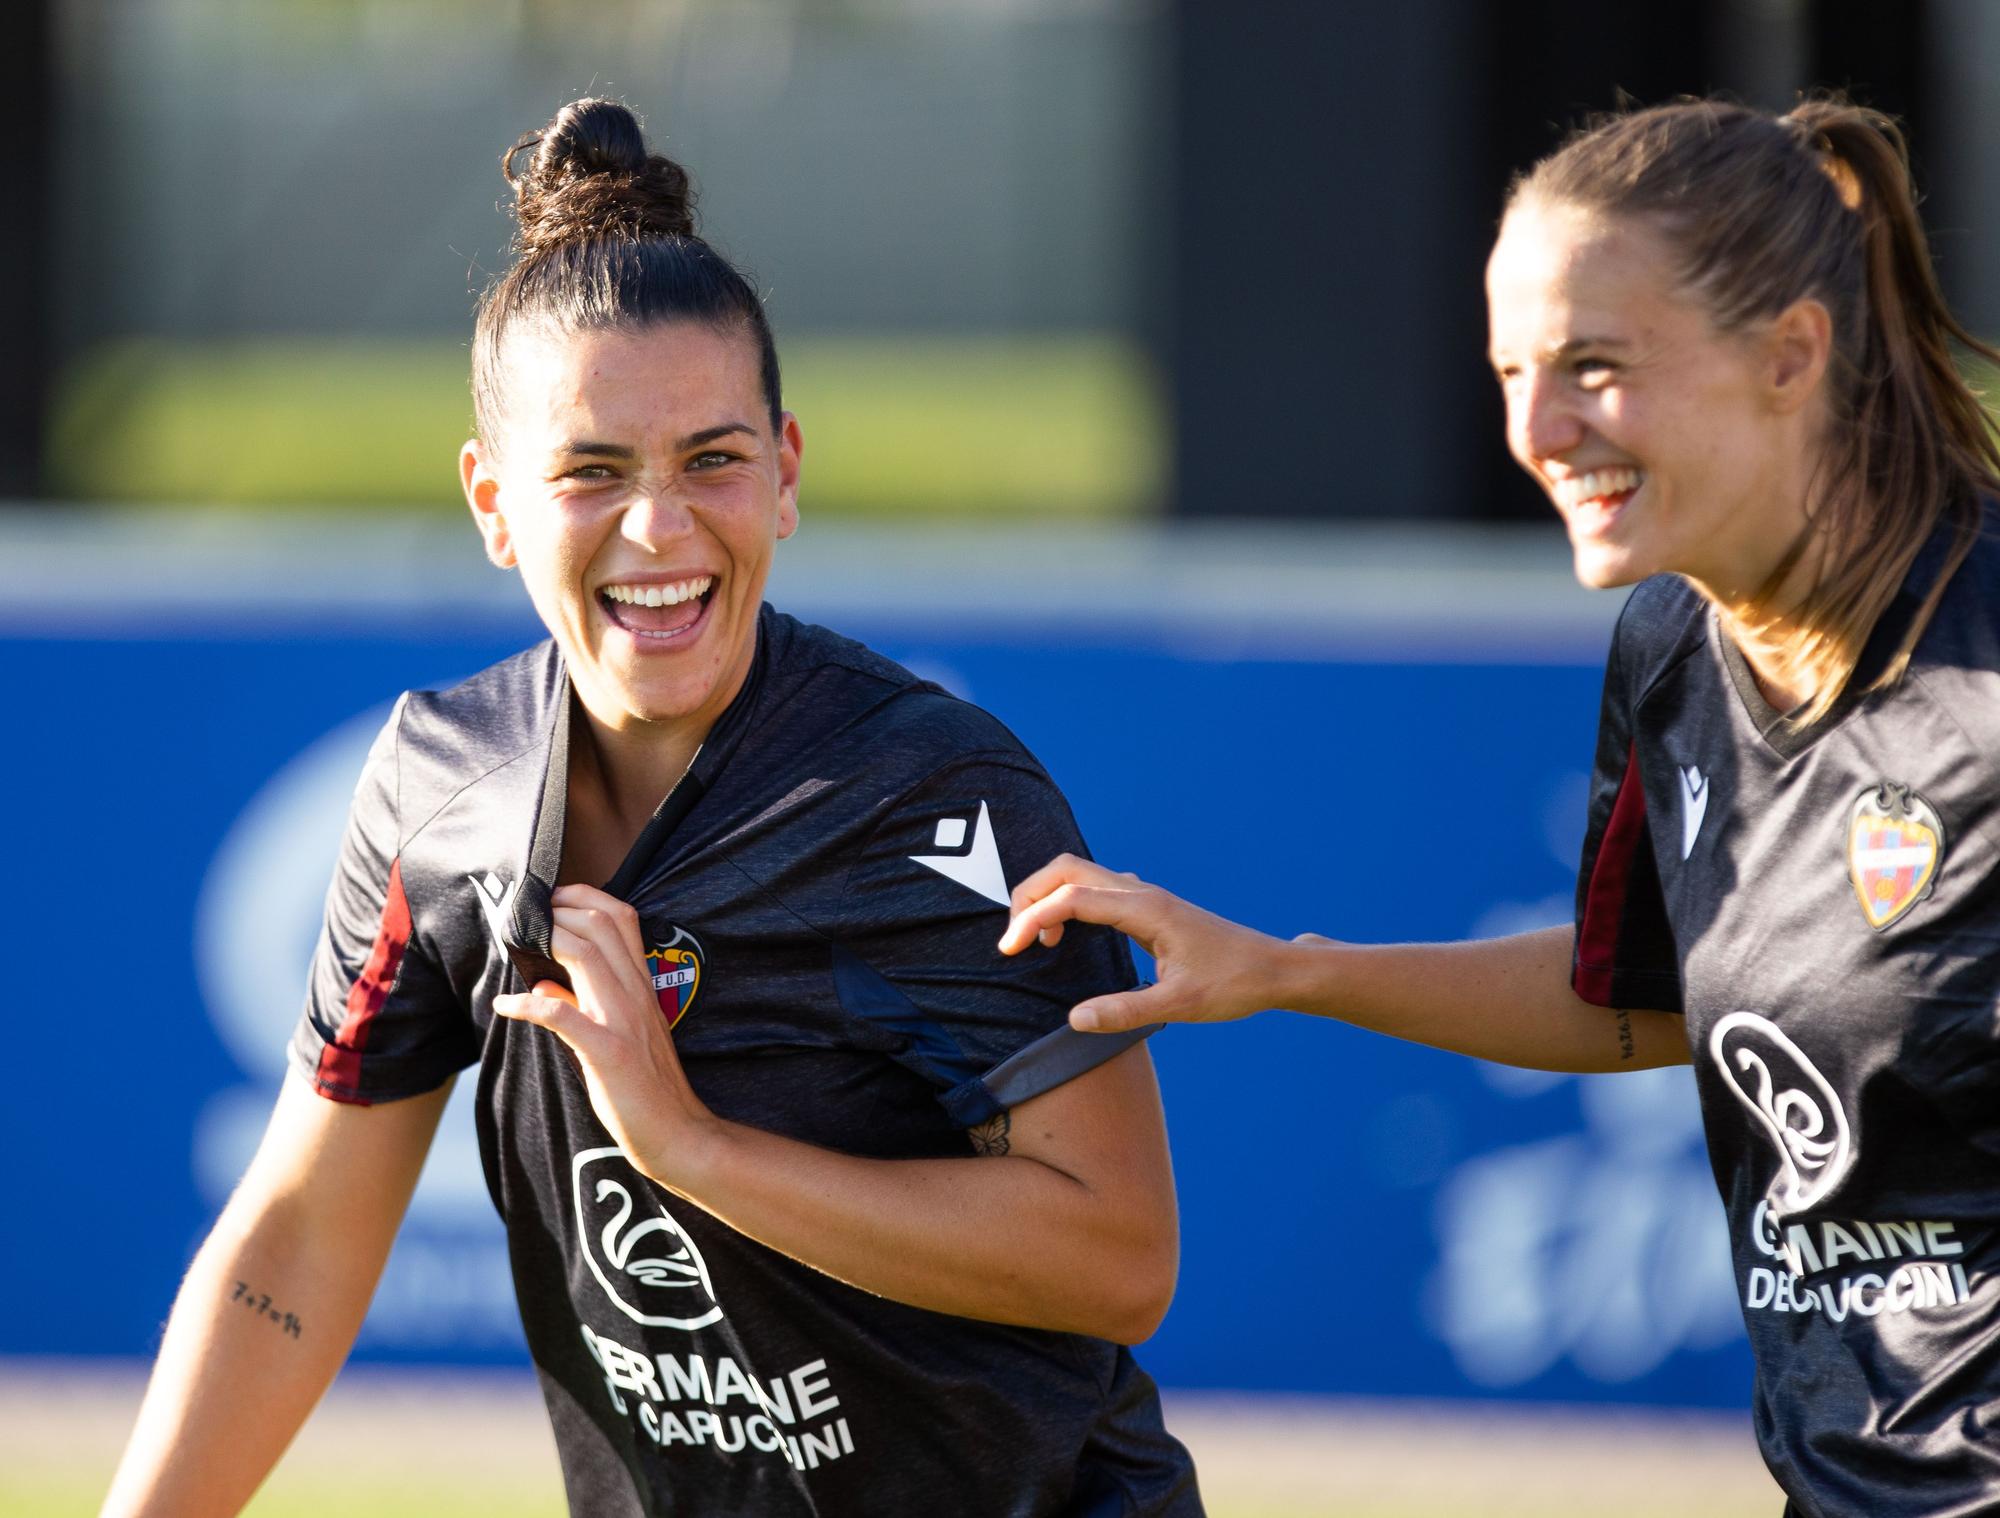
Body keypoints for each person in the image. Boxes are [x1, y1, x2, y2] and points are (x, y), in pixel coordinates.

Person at [102, 98, 1201, 1518]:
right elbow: (303, 1231)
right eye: (592, 472)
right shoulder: (445, 793)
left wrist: (689, 1146)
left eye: (713, 460)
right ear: (493, 502)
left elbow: (1121, 1254)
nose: (660, 529)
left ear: (788, 471)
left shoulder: (935, 795)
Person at [1001, 94, 2000, 1518]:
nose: (1536, 428)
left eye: (1594, 366)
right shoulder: (1674, 651)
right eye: (1513, 370)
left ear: (1791, 352)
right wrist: (1292, 970)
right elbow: (1641, 999)